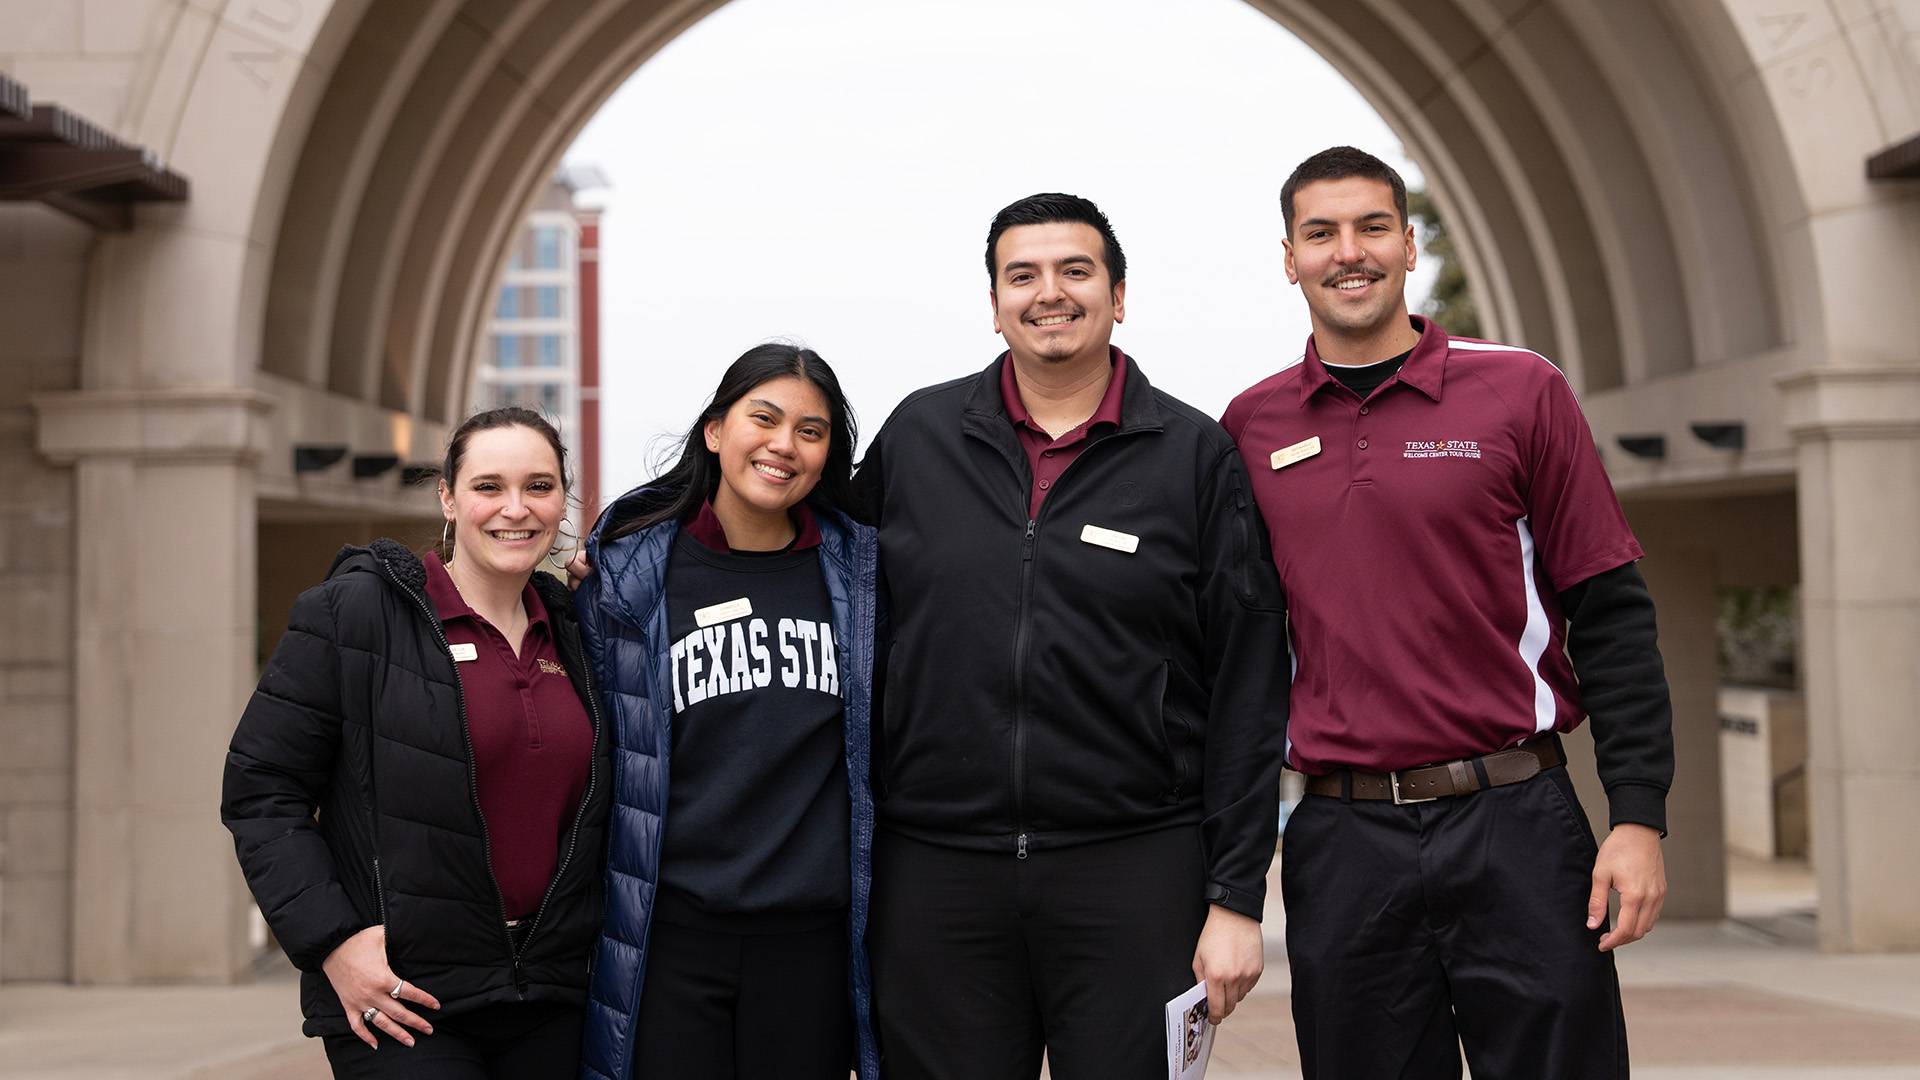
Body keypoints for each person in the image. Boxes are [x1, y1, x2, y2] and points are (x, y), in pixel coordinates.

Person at [1220, 145, 1674, 1079]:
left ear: (1408, 241)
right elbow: (1239, 662)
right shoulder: (1249, 428)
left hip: (1518, 819)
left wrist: (1637, 816)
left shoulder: (1521, 390)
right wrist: (1227, 876)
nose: (1350, 252)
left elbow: (1612, 611)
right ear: (1289, 256)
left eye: (1372, 227)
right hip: (1343, 840)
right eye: (1322, 233)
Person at [852, 193, 1290, 1080]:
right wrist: (638, 550)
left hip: (1135, 871)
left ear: (1119, 295)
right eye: (1024, 275)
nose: (1049, 293)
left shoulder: (1195, 457)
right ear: (995, 303)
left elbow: (1250, 683)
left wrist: (1237, 895)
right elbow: (801, 557)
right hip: (938, 870)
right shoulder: (917, 439)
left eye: (1075, 271)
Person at [222, 407, 610, 1079]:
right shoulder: (356, 615)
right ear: (449, 498)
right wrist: (334, 941)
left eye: (539, 487)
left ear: (562, 501)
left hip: (552, 994)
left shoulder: (581, 631)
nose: (514, 509)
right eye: (489, 486)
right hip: (405, 998)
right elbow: (262, 791)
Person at [574, 343, 880, 1080]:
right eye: (764, 418)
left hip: (809, 941)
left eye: (811, 430)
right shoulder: (629, 579)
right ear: (715, 430)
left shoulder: (863, 576)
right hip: (672, 936)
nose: (784, 445)